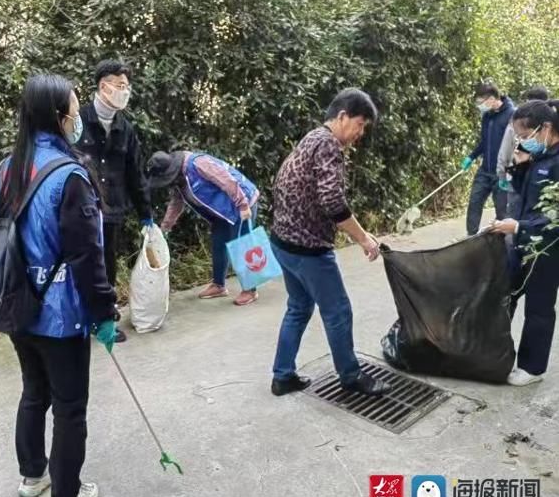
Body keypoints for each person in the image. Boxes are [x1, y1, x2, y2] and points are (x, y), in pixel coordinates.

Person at [0, 74, 117, 497]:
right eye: (75, 107)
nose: (78, 117)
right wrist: (104, 312)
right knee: (69, 407)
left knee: (33, 392)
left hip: (16, 305)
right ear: (59, 116)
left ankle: (33, 476)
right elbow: (88, 257)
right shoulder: (70, 177)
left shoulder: (5, 169)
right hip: (60, 317)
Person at [269, 88, 391, 397]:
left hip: (282, 241)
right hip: (308, 250)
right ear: (341, 116)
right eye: (360, 124)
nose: (360, 133)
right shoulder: (328, 146)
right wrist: (363, 239)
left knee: (298, 307)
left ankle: (283, 376)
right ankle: (351, 376)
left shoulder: (311, 138)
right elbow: (333, 203)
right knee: (338, 311)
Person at [76, 59, 153, 343]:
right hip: (81, 208)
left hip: (112, 210)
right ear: (103, 86)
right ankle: (83, 315)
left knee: (107, 264)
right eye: (120, 85)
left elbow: (135, 173)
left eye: (127, 86)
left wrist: (146, 214)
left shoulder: (125, 129)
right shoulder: (78, 120)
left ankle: (105, 319)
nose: (125, 91)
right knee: (82, 262)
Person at [491, 99, 559, 387]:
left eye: (524, 134)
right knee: (503, 294)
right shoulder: (539, 157)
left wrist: (518, 226)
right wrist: (519, 168)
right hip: (521, 241)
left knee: (539, 306)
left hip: (547, 248)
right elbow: (523, 197)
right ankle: (493, 354)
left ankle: (532, 368)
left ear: (544, 128)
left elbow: (554, 218)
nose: (521, 140)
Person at [147, 148, 261, 306]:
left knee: (241, 244)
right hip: (221, 212)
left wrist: (242, 205)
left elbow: (226, 180)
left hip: (240, 203)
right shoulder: (179, 180)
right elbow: (176, 203)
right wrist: (165, 227)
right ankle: (219, 285)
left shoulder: (198, 164)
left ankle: (250, 290)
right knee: (218, 242)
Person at [461, 81, 515, 235]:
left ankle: (503, 245)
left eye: (481, 102)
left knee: (502, 212)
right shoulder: (487, 116)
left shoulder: (512, 115)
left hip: (502, 173)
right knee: (474, 204)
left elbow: (514, 147)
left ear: (491, 99)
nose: (480, 106)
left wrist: (509, 172)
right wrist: (471, 157)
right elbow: (484, 142)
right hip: (485, 170)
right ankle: (470, 239)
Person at [496, 86, 550, 218]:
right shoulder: (548, 126)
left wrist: (502, 174)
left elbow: (504, 151)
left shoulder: (518, 122)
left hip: (528, 187)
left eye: (525, 137)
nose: (522, 141)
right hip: (523, 181)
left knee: (516, 218)